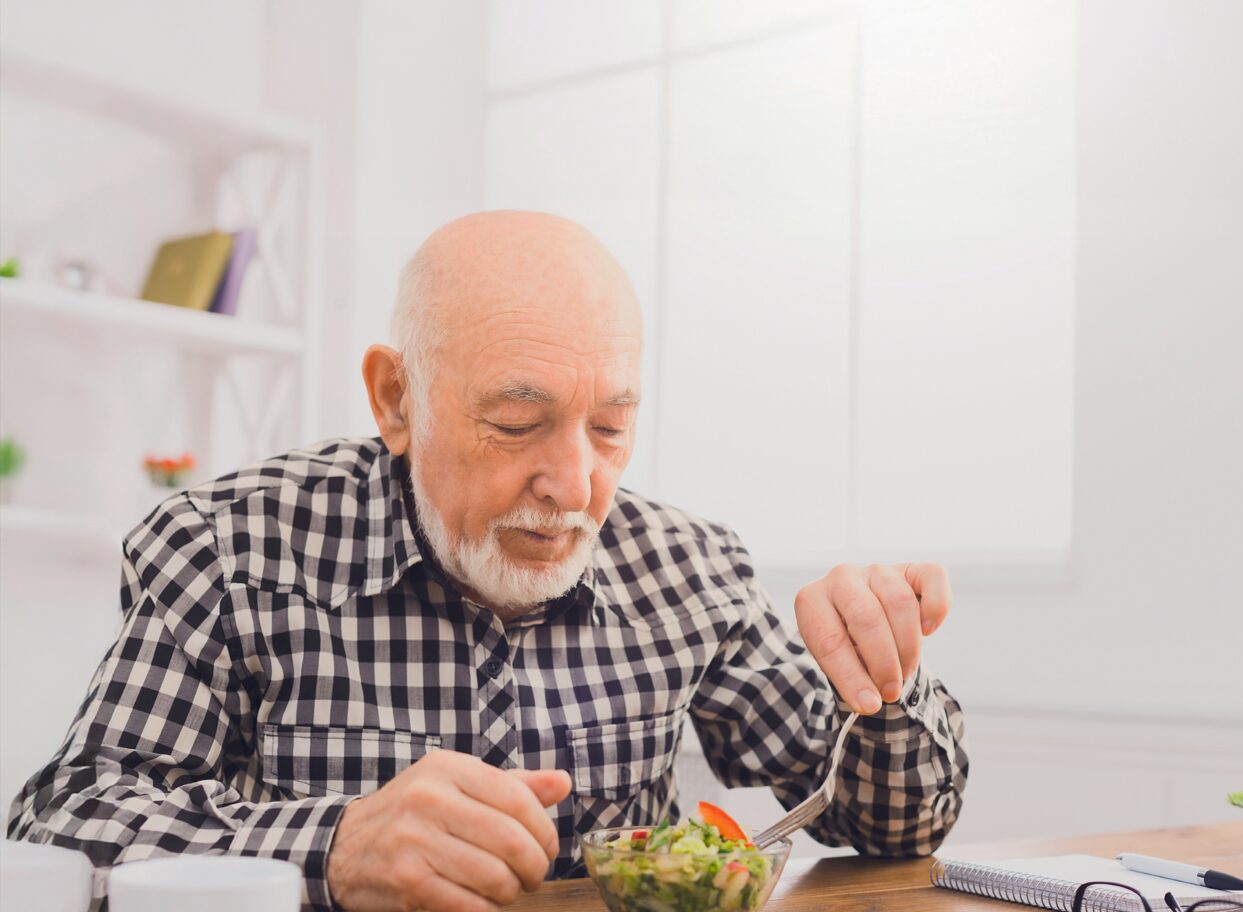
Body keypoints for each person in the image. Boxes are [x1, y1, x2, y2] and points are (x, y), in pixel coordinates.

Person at [8, 211, 968, 911]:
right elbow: (65, 822)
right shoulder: (230, 546)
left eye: (611, 428)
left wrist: (883, 679)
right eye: (516, 422)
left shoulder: (688, 566)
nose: (575, 485)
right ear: (397, 400)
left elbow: (890, 828)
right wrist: (333, 847)